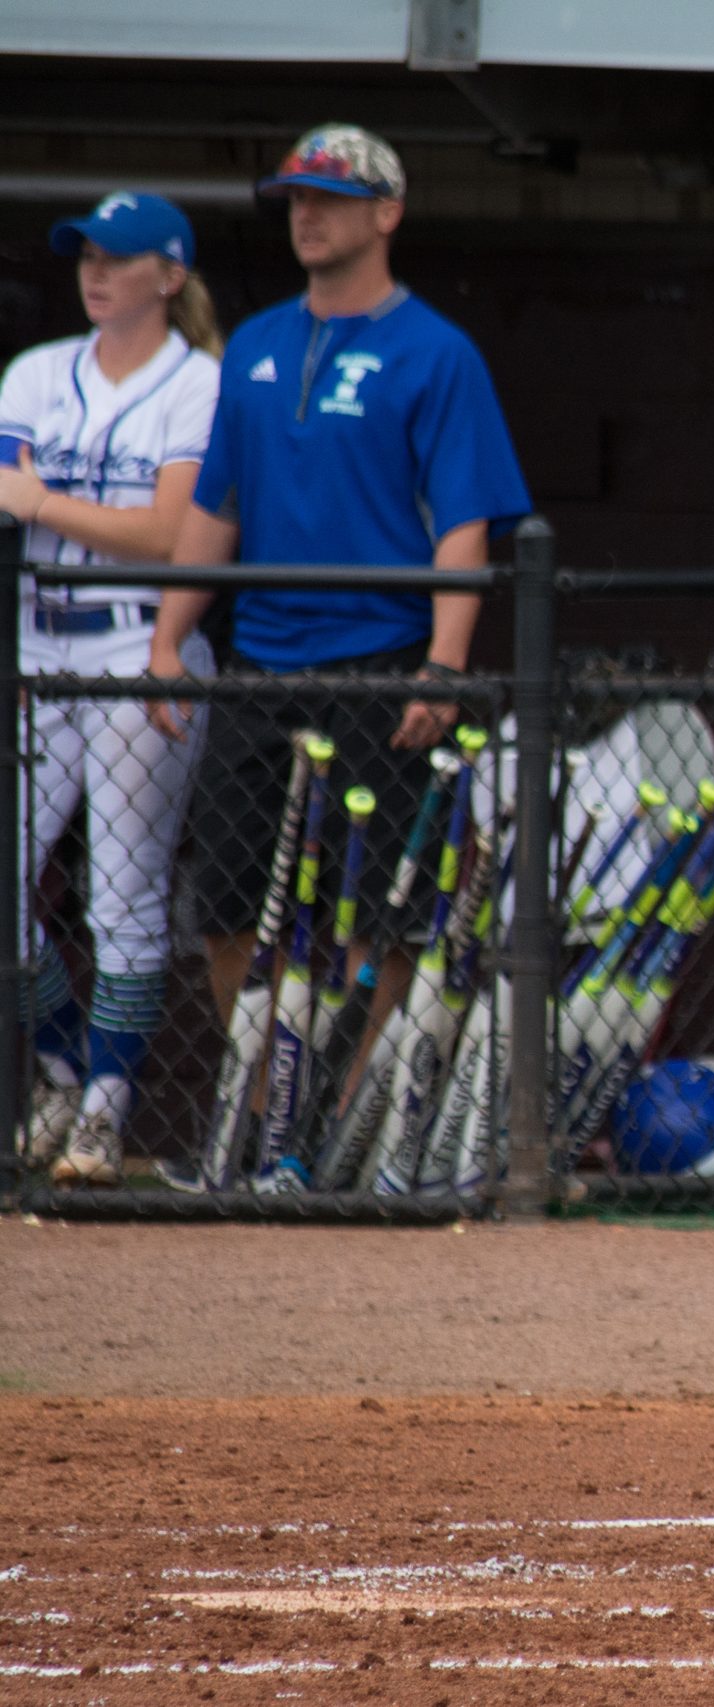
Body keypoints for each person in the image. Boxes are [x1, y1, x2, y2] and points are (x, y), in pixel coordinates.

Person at [145, 124, 529, 1041]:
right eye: (296, 200)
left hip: (381, 661)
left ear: (387, 213)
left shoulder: (439, 352)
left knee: (380, 904)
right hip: (262, 657)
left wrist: (442, 665)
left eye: (330, 199)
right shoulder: (253, 346)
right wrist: (166, 638)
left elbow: (465, 522)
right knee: (229, 889)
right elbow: (217, 502)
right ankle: (261, 1093)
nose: (306, 216)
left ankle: (343, 1130)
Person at [0, 192, 223, 1186]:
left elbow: (176, 533)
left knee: (123, 896)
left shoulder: (198, 383)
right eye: (87, 254)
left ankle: (103, 1110)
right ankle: (61, 1067)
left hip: (142, 643)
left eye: (120, 258)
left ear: (168, 277)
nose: (96, 271)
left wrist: (49, 500)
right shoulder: (36, 374)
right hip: (37, 642)